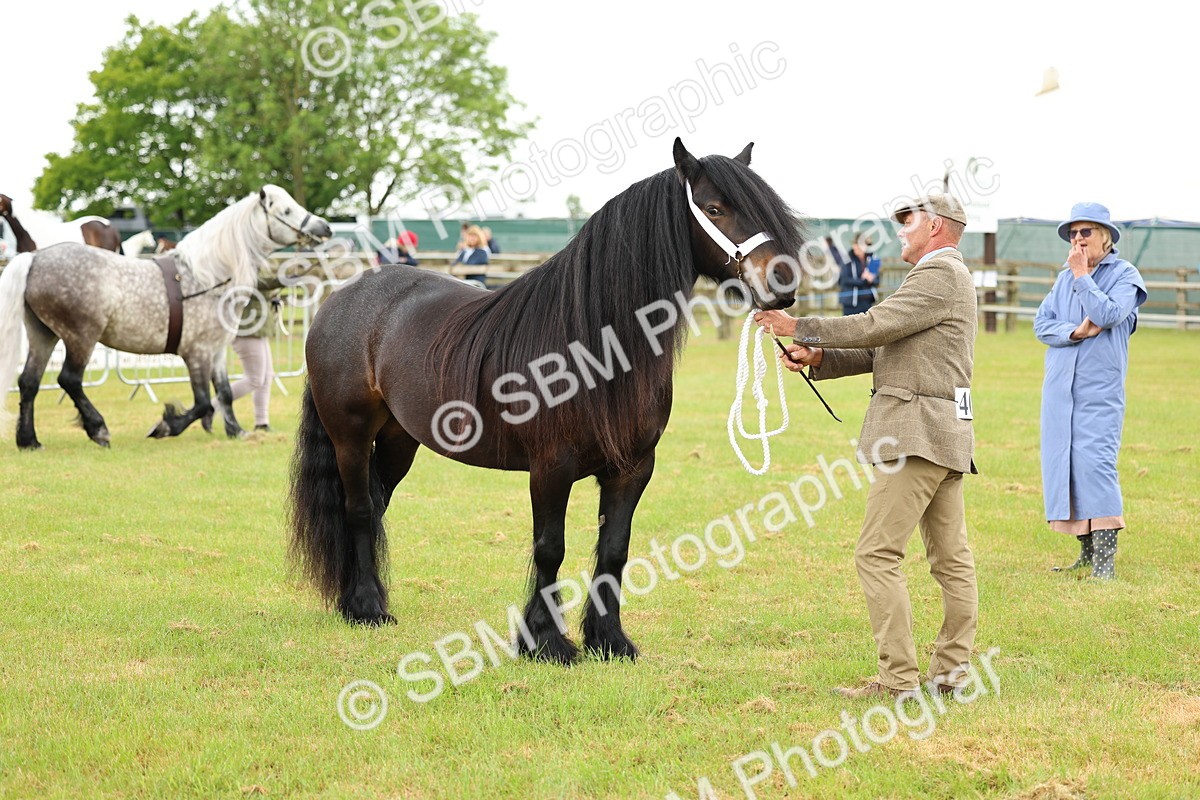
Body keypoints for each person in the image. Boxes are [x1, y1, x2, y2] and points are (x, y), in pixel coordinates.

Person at [754, 194, 978, 700]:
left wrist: (798, 325)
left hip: (917, 434)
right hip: (943, 435)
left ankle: (899, 683)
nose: (899, 231)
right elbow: (887, 348)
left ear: (937, 228)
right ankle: (952, 676)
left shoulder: (937, 275)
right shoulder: (947, 278)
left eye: (908, 222)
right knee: (951, 560)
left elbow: (876, 324)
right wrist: (819, 356)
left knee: (876, 555)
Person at [1034, 203, 1146, 580]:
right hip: (1059, 392)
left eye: (1085, 232)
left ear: (1106, 236)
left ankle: (1105, 564)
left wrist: (1083, 276)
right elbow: (1041, 324)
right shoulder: (1063, 278)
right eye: (1073, 233)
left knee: (1095, 465)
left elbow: (1109, 314)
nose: (1077, 240)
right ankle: (1084, 553)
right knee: (1067, 466)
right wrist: (1073, 333)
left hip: (1099, 391)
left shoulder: (1125, 275)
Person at [229, 288, 279, 432]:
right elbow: (261, 281)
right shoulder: (249, 268)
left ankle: (262, 423)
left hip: (258, 330)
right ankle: (211, 407)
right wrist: (284, 278)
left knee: (267, 376)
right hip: (247, 329)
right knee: (254, 380)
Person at [830, 232, 880, 315]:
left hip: (867, 303)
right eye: (856, 244)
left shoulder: (873, 259)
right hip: (850, 304)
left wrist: (871, 280)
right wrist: (863, 280)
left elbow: (877, 281)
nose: (857, 247)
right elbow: (844, 280)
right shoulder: (847, 259)